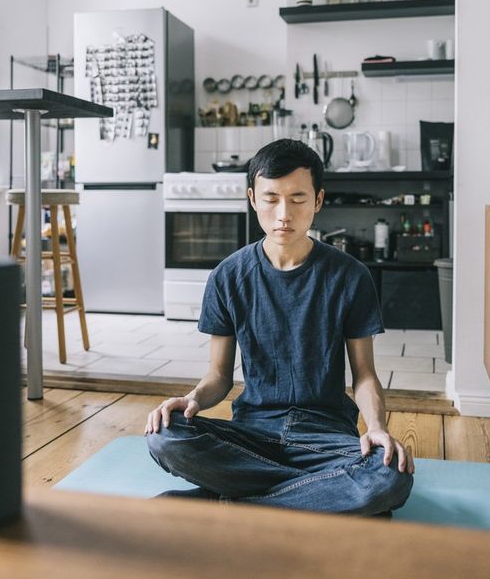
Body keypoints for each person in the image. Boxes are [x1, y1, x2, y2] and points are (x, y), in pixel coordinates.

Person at [144, 139, 414, 516]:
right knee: (164, 435)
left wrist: (378, 427)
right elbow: (218, 376)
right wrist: (191, 400)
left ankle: (228, 505)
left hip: (325, 439)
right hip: (252, 435)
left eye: (298, 198)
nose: (283, 213)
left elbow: (364, 374)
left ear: (318, 200)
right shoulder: (227, 277)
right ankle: (314, 498)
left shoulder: (351, 276)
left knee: (389, 476)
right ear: (253, 198)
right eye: (271, 198)